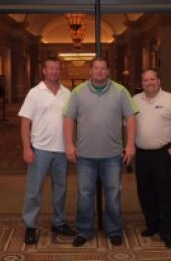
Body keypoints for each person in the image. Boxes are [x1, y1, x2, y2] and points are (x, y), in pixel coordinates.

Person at [63, 56, 138, 247]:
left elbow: (131, 118)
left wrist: (130, 144)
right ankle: (84, 230)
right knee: (85, 194)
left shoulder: (121, 91)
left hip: (112, 155)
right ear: (90, 71)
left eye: (103, 68)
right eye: (96, 68)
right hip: (85, 155)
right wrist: (70, 145)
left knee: (113, 194)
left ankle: (114, 230)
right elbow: (68, 119)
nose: (99, 72)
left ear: (108, 71)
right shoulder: (78, 92)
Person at [18, 57, 76, 245]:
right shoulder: (34, 93)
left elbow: (72, 121)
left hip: (61, 150)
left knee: (60, 189)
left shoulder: (67, 93)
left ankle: (58, 222)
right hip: (40, 150)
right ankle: (30, 225)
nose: (54, 72)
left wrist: (71, 145)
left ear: (60, 71)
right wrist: (26, 147)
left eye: (57, 69)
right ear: (44, 71)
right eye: (50, 68)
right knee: (34, 190)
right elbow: (25, 122)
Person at [133, 69, 171, 249]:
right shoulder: (134, 101)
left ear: (159, 81)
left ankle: (167, 231)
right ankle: (152, 224)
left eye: (152, 79)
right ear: (142, 83)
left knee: (165, 193)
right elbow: (129, 126)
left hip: (163, 154)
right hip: (141, 155)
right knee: (145, 191)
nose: (149, 82)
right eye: (146, 80)